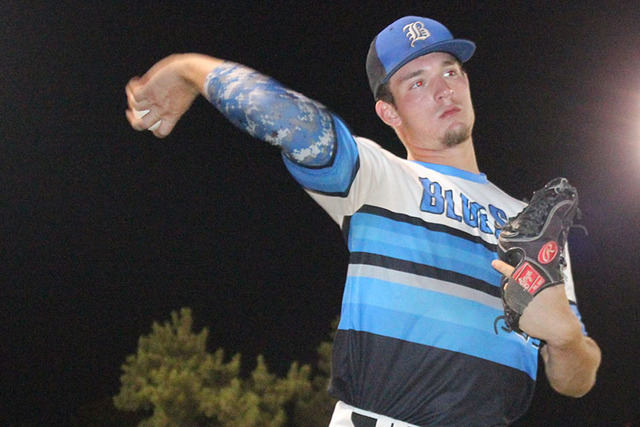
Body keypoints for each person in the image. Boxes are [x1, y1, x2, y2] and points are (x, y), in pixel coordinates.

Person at [126, 15, 600, 426]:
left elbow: (578, 380)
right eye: (416, 81)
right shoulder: (375, 176)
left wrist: (565, 338)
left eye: (450, 71)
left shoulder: (531, 226)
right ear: (387, 111)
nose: (443, 88)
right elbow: (287, 119)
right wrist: (186, 68)